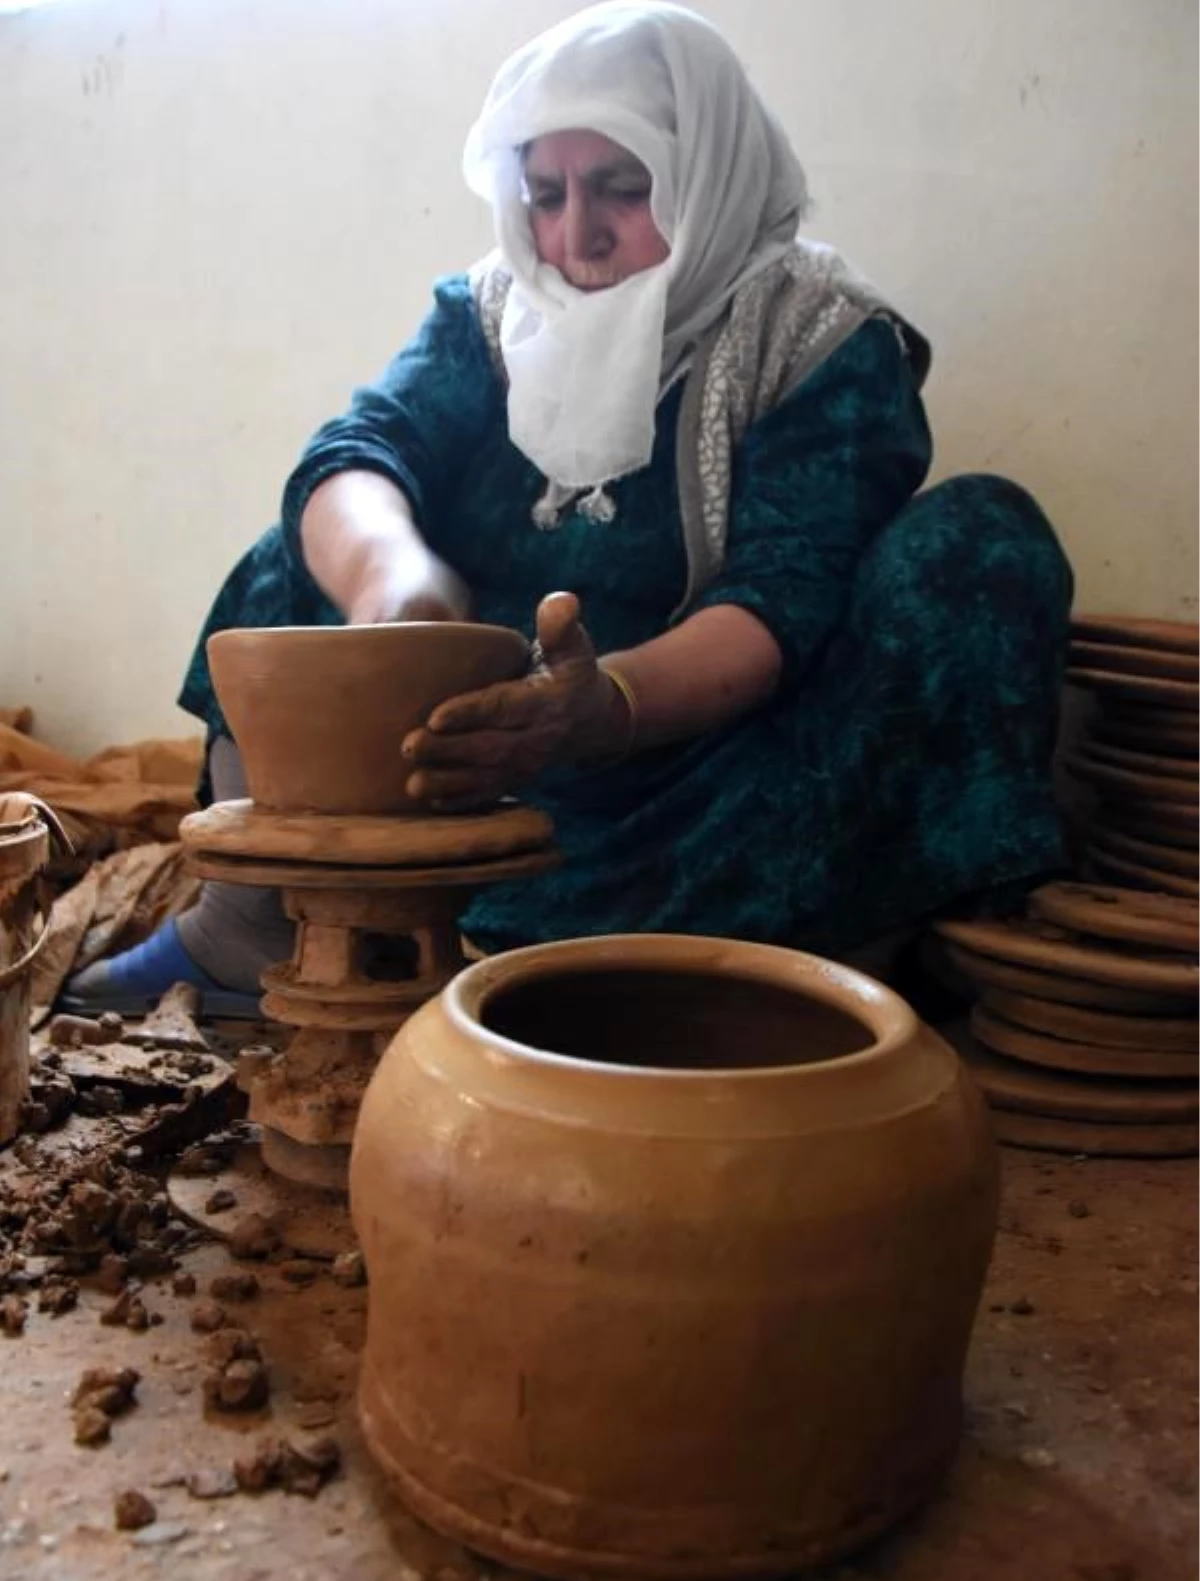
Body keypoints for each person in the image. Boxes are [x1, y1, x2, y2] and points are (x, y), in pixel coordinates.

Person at [67, 0, 1072, 1017]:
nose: (574, 234)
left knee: (981, 536)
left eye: (623, 190)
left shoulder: (820, 340)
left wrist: (599, 710)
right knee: (300, 548)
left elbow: (784, 596)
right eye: (545, 193)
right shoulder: (493, 310)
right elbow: (362, 448)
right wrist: (396, 585)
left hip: (706, 779)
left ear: (706, 174)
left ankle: (817, 970)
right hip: (461, 760)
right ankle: (254, 925)